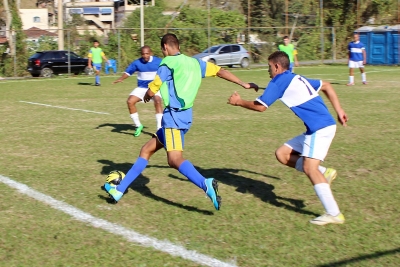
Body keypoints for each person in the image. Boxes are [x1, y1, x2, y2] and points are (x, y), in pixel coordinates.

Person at [104, 33, 259, 210]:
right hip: (185, 116)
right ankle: (119, 189)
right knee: (146, 149)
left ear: (164, 48)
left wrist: (147, 96)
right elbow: (219, 71)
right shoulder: (195, 62)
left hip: (173, 118)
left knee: (174, 159)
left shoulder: (167, 63)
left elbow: (154, 85)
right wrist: (243, 83)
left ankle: (205, 184)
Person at [227, 51, 348, 225]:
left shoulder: (278, 81)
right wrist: (340, 111)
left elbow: (261, 107)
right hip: (320, 127)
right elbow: (327, 86)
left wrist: (238, 102)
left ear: (277, 66)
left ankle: (334, 213)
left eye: (269, 67)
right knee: (282, 154)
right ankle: (325, 173)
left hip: (319, 128)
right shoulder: (295, 78)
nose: (268, 71)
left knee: (309, 168)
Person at [113, 46, 163, 136]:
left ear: (151, 53)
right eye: (143, 54)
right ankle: (138, 125)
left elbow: (167, 70)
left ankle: (159, 128)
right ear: (141, 54)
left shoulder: (158, 61)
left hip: (154, 87)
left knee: (158, 101)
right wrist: (121, 79)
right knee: (130, 101)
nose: (145, 55)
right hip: (142, 88)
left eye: (147, 53)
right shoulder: (137, 63)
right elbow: (128, 72)